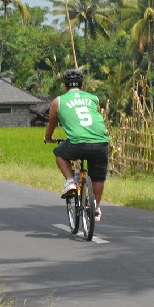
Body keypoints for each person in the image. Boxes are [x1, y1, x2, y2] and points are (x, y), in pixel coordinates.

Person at [43, 68, 110, 221]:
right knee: (98, 177)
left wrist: (48, 138)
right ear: (82, 85)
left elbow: (51, 124)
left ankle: (70, 181)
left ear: (65, 86)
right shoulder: (94, 98)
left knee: (59, 154)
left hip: (78, 142)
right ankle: (96, 208)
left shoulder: (58, 102)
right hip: (101, 142)